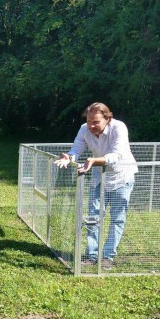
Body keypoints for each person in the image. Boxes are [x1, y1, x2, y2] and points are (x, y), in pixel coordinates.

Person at [54, 102, 137, 270]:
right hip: (99, 177)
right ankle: (91, 255)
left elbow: (116, 155)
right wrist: (68, 157)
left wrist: (94, 160)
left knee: (117, 218)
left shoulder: (119, 128)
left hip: (122, 176)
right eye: (89, 120)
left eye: (96, 122)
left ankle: (107, 256)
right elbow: (76, 149)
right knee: (93, 216)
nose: (91, 125)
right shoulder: (84, 128)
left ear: (107, 118)